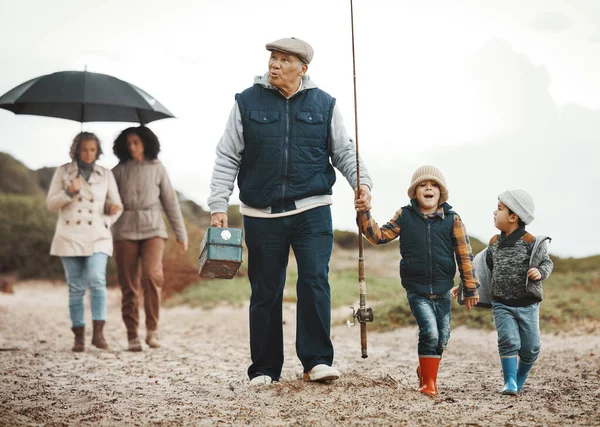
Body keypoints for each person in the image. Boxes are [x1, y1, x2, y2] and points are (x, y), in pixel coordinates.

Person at [208, 37, 373, 386]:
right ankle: (265, 369)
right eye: (272, 58)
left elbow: (343, 150)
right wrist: (217, 205)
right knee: (265, 291)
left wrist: (363, 183)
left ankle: (316, 361)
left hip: (312, 209)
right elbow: (227, 156)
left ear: (303, 68)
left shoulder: (324, 103)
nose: (275, 65)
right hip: (259, 212)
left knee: (314, 281)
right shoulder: (246, 101)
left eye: (284, 59)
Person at [356, 165, 479, 396]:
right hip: (417, 289)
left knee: (442, 338)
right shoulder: (405, 215)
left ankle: (425, 369)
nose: (428, 188)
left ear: (441, 193)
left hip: (443, 289)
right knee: (430, 332)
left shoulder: (453, 219)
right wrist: (364, 213)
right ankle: (428, 383)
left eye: (433, 185)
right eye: (423, 185)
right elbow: (378, 236)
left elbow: (465, 255)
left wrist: (470, 288)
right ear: (414, 192)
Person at [112, 126, 188, 351]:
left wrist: (181, 233)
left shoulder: (158, 168)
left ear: (146, 142)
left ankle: (152, 330)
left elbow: (170, 203)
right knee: (128, 284)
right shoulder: (117, 171)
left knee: (152, 275)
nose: (132, 147)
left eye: (136, 142)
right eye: (128, 143)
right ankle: (132, 334)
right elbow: (106, 202)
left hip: (153, 229)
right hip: (124, 230)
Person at [46, 132, 123, 352]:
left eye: (92, 149)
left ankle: (98, 333)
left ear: (97, 151)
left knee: (97, 280)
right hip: (69, 236)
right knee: (76, 287)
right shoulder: (64, 172)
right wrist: (69, 192)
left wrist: (107, 219)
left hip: (98, 235)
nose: (88, 153)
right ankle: (78, 335)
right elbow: (51, 204)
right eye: (84, 149)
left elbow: (118, 205)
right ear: (76, 150)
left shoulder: (106, 174)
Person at [485, 190, 553, 394]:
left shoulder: (531, 242)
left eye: (499, 209)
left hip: (527, 304)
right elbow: (485, 268)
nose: (494, 213)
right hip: (501, 303)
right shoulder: (493, 243)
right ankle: (509, 382)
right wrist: (466, 287)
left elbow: (547, 263)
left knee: (531, 347)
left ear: (514, 217)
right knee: (508, 341)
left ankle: (520, 378)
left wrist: (539, 272)